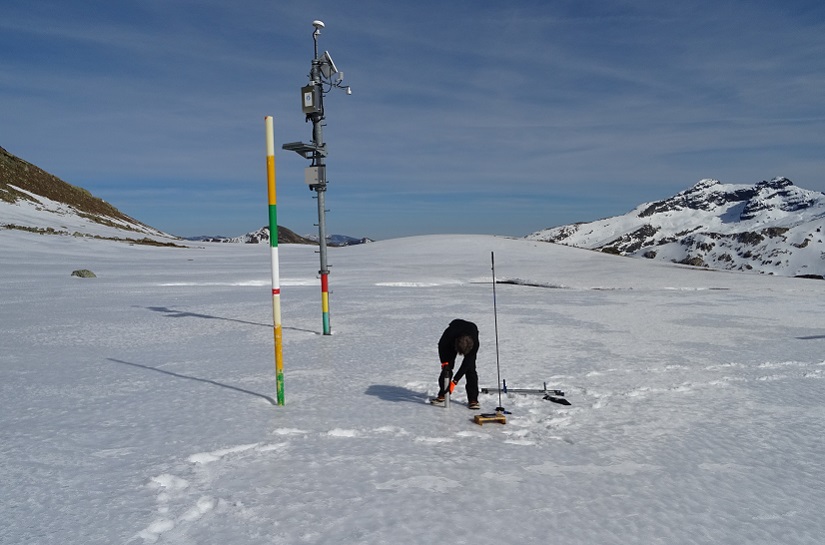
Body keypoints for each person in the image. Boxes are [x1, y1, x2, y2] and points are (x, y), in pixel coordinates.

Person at [431, 319, 480, 409]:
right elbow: (441, 347)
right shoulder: (448, 337)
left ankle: (473, 399)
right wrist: (444, 363)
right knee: (447, 369)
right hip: (451, 340)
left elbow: (466, 364)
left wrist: (454, 381)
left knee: (470, 369)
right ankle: (443, 394)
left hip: (471, 330)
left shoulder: (474, 344)